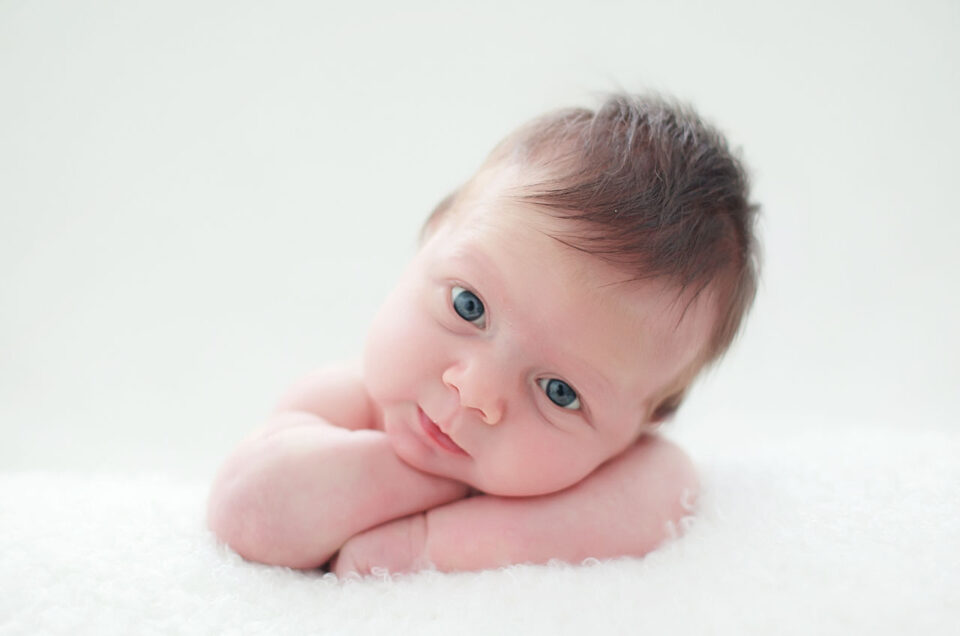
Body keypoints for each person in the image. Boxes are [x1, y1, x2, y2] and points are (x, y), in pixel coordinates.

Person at [207, 93, 759, 576]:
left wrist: (431, 545)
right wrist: (435, 485)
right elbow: (246, 511)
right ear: (430, 236)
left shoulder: (634, 465)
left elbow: (666, 494)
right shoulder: (340, 403)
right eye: (469, 307)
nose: (474, 394)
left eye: (558, 392)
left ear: (641, 425)